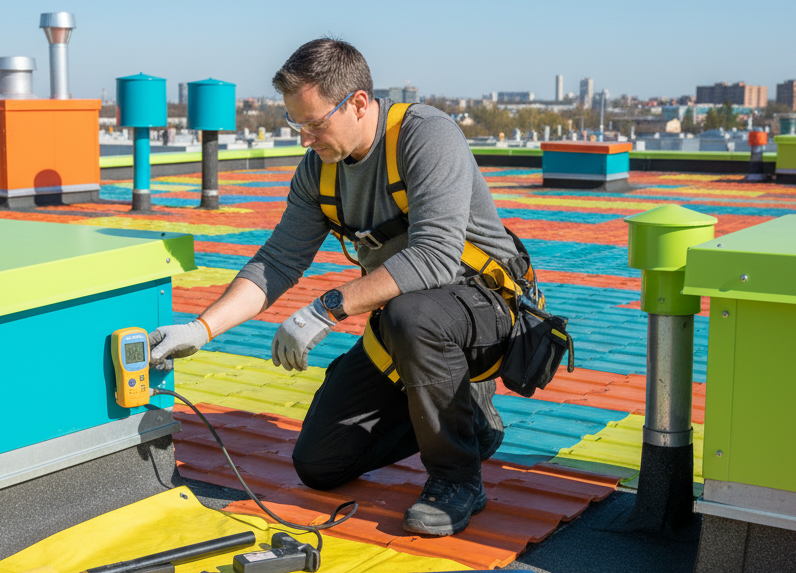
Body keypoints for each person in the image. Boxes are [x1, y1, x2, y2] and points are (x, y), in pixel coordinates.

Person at [148, 38, 519, 537]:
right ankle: (468, 422)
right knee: (319, 464)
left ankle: (457, 479)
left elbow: (435, 257)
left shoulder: (426, 136)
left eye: (315, 122)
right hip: (406, 322)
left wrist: (322, 311)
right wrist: (201, 328)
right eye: (295, 123)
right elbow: (279, 260)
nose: (305, 137)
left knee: (412, 315)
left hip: (484, 305)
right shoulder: (318, 169)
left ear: (359, 103)